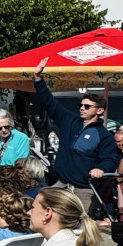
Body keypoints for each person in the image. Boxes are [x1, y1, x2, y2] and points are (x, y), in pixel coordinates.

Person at [32, 58, 118, 205]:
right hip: (61, 183)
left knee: (83, 219)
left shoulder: (104, 135)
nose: (82, 108)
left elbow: (110, 160)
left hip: (84, 188)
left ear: (99, 110)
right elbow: (49, 102)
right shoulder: (69, 120)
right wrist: (38, 78)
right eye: (81, 105)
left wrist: (100, 169)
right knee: (41, 206)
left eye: (87, 106)